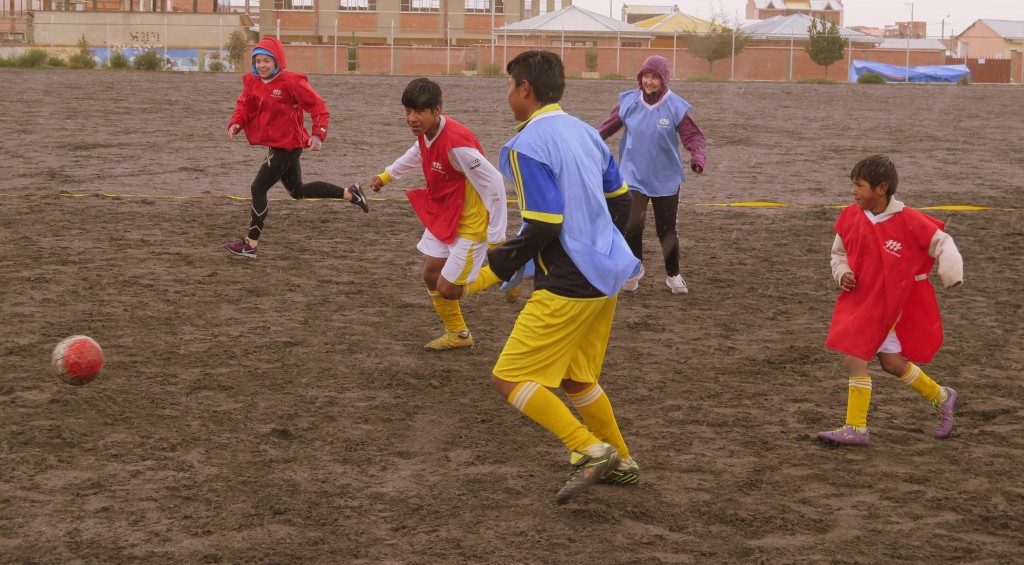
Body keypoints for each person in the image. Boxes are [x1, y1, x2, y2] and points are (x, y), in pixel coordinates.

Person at [488, 50, 641, 505]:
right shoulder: (588, 133)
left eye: (509, 85)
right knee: (577, 379)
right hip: (606, 277)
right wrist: (600, 244)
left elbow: (543, 223)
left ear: (525, 89)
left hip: (567, 282)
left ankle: (591, 450)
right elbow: (622, 201)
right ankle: (623, 461)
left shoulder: (526, 144)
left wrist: (498, 265)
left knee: (509, 377)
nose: (508, 94)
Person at [818, 155, 963, 446]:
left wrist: (951, 271)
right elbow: (838, 254)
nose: (853, 191)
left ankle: (856, 428)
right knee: (892, 363)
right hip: (861, 302)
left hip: (890, 307)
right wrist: (842, 272)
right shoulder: (849, 216)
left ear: (881, 189)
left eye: (860, 186)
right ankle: (942, 396)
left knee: (855, 357)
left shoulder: (908, 220)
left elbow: (943, 242)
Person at [369, 78, 511, 351]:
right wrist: (387, 176)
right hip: (444, 216)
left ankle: (502, 270)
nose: (411, 118)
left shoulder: (457, 144)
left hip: (469, 223)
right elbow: (417, 151)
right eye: (407, 111)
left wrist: (496, 238)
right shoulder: (427, 132)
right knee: (431, 276)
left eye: (419, 111)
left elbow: (494, 182)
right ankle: (459, 334)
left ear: (436, 110)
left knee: (448, 289)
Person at [225, 37, 368, 259]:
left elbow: (318, 107)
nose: (261, 65)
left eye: (266, 61)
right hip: (278, 145)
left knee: (258, 188)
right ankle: (351, 194)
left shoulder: (292, 81)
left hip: (288, 147)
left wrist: (318, 135)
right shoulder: (253, 81)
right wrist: (236, 123)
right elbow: (245, 105)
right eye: (258, 61)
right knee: (298, 191)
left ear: (277, 61)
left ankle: (250, 244)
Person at [598, 55, 706, 295]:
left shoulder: (675, 106)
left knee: (666, 231)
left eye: (655, 77)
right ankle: (634, 269)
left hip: (666, 179)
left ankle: (673, 275)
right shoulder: (629, 102)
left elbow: (693, 137)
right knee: (631, 225)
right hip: (633, 176)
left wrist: (698, 158)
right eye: (646, 76)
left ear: (664, 80)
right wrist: (589, 142)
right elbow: (605, 128)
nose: (649, 81)